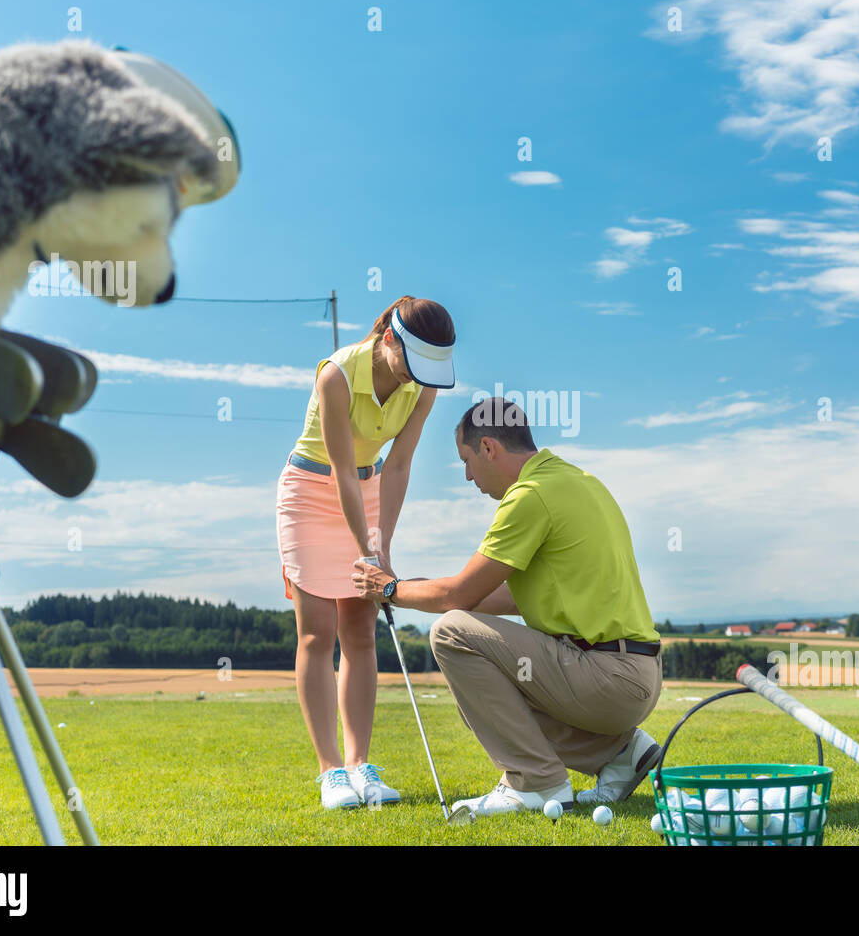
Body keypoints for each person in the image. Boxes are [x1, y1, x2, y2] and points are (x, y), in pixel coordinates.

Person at [352, 398, 662, 817]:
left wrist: (389, 589)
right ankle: (620, 754)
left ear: (489, 448)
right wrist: (409, 588)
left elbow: (458, 599)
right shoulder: (578, 481)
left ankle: (536, 783)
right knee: (482, 680)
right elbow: (494, 598)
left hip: (607, 678)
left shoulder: (530, 496)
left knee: (450, 633)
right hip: (633, 675)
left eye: (466, 460)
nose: (466, 475)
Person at [277, 295, 455, 810]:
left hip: (370, 487)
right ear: (389, 340)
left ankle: (360, 764)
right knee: (317, 632)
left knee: (359, 631)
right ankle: (330, 771)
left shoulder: (423, 386)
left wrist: (382, 549)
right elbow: (338, 471)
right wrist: (364, 549)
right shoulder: (335, 375)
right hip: (312, 491)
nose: (412, 379)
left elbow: (397, 467)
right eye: (409, 364)